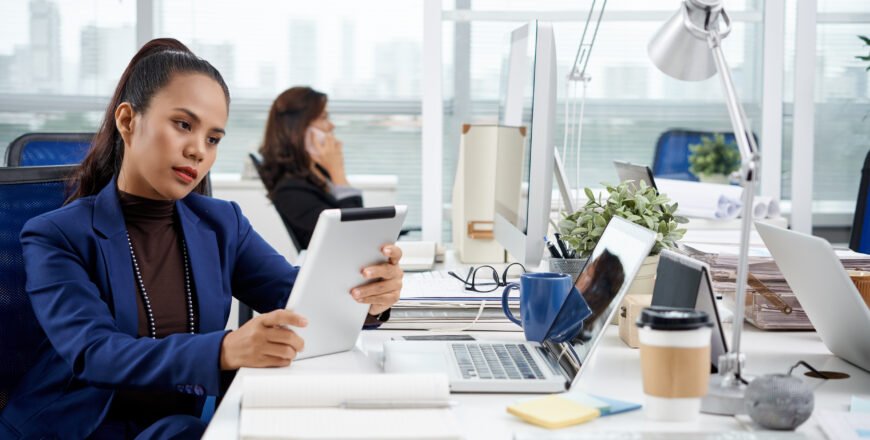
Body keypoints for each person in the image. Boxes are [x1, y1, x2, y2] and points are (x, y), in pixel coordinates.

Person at [0, 39, 403, 440]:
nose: (197, 151)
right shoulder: (56, 234)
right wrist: (224, 350)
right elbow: (95, 352)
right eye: (182, 125)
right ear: (127, 121)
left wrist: (367, 297)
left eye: (213, 139)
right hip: (76, 430)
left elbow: (296, 297)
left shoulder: (221, 223)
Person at [258, 86, 361, 250]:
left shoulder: (318, 171)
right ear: (299, 129)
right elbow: (352, 235)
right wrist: (338, 172)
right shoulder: (290, 191)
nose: (331, 126)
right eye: (323, 118)